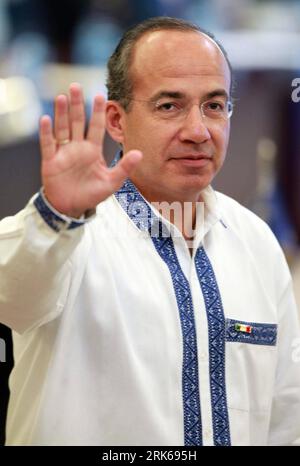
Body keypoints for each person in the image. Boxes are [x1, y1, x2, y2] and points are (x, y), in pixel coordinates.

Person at [0, 16, 299, 446]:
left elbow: (285, 418)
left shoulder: (255, 241)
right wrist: (55, 217)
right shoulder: (70, 236)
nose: (198, 131)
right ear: (117, 121)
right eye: (169, 106)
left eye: (214, 105)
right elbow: (12, 293)